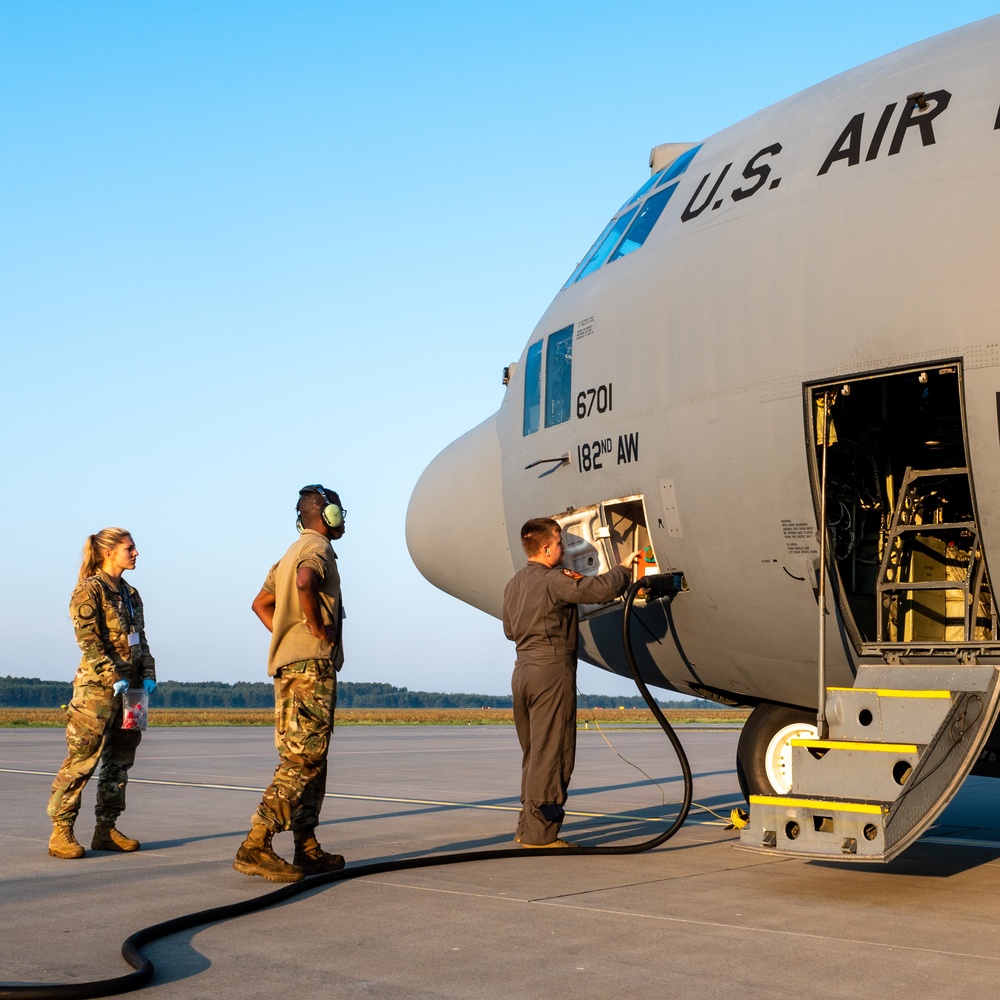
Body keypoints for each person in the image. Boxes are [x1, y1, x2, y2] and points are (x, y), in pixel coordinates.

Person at [233, 484, 349, 882]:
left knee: (312, 758)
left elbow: (260, 604)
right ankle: (256, 844)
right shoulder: (316, 549)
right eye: (340, 513)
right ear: (327, 516)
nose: (344, 520)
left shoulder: (286, 554)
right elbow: (305, 582)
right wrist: (315, 629)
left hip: (291, 666)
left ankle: (307, 847)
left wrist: (286, 634)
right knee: (303, 760)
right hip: (309, 670)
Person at [503, 518, 641, 848]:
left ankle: (526, 827)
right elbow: (598, 590)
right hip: (551, 671)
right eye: (560, 544)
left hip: (523, 670)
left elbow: (509, 630)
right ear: (546, 548)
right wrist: (623, 569)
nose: (564, 550)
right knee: (553, 754)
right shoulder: (554, 581)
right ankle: (541, 835)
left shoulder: (513, 585)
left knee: (534, 754)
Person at [47, 528, 157, 859]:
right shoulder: (88, 590)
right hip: (97, 692)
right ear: (108, 552)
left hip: (132, 692)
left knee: (120, 762)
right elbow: (88, 640)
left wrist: (148, 674)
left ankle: (105, 829)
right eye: (130, 548)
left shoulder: (131, 593)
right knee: (82, 761)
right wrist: (112, 676)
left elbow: (141, 638)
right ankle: (61, 831)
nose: (136, 553)